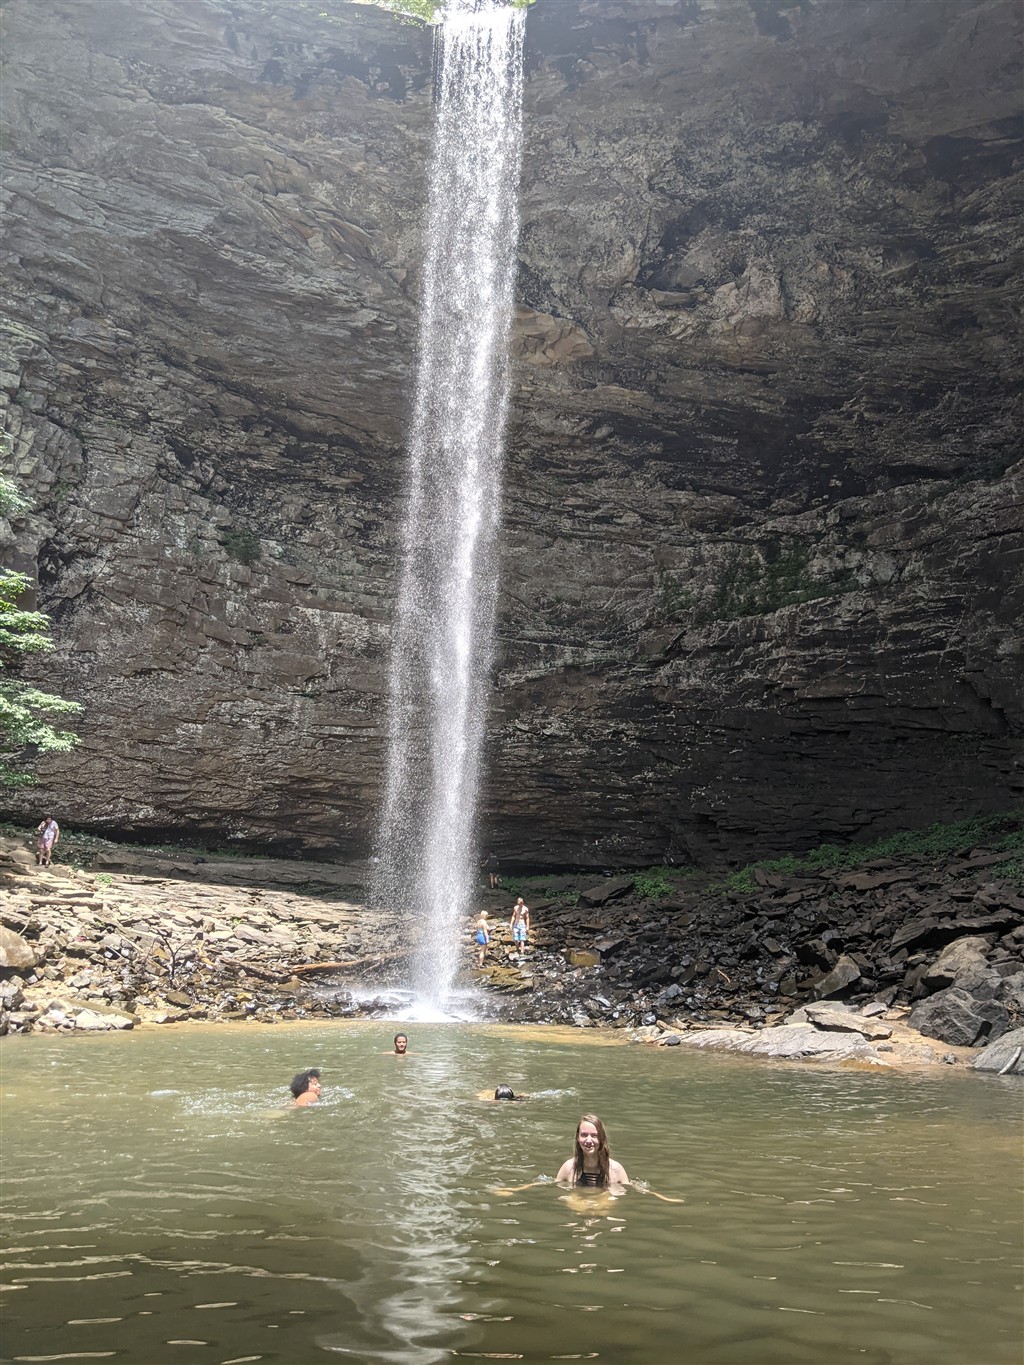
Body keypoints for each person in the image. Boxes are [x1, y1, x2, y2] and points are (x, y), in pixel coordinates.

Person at [556, 1114, 629, 1188]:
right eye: (584, 1135)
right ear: (578, 1138)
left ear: (602, 1138)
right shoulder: (568, 1168)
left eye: (594, 1136)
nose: (588, 1141)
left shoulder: (616, 1170)